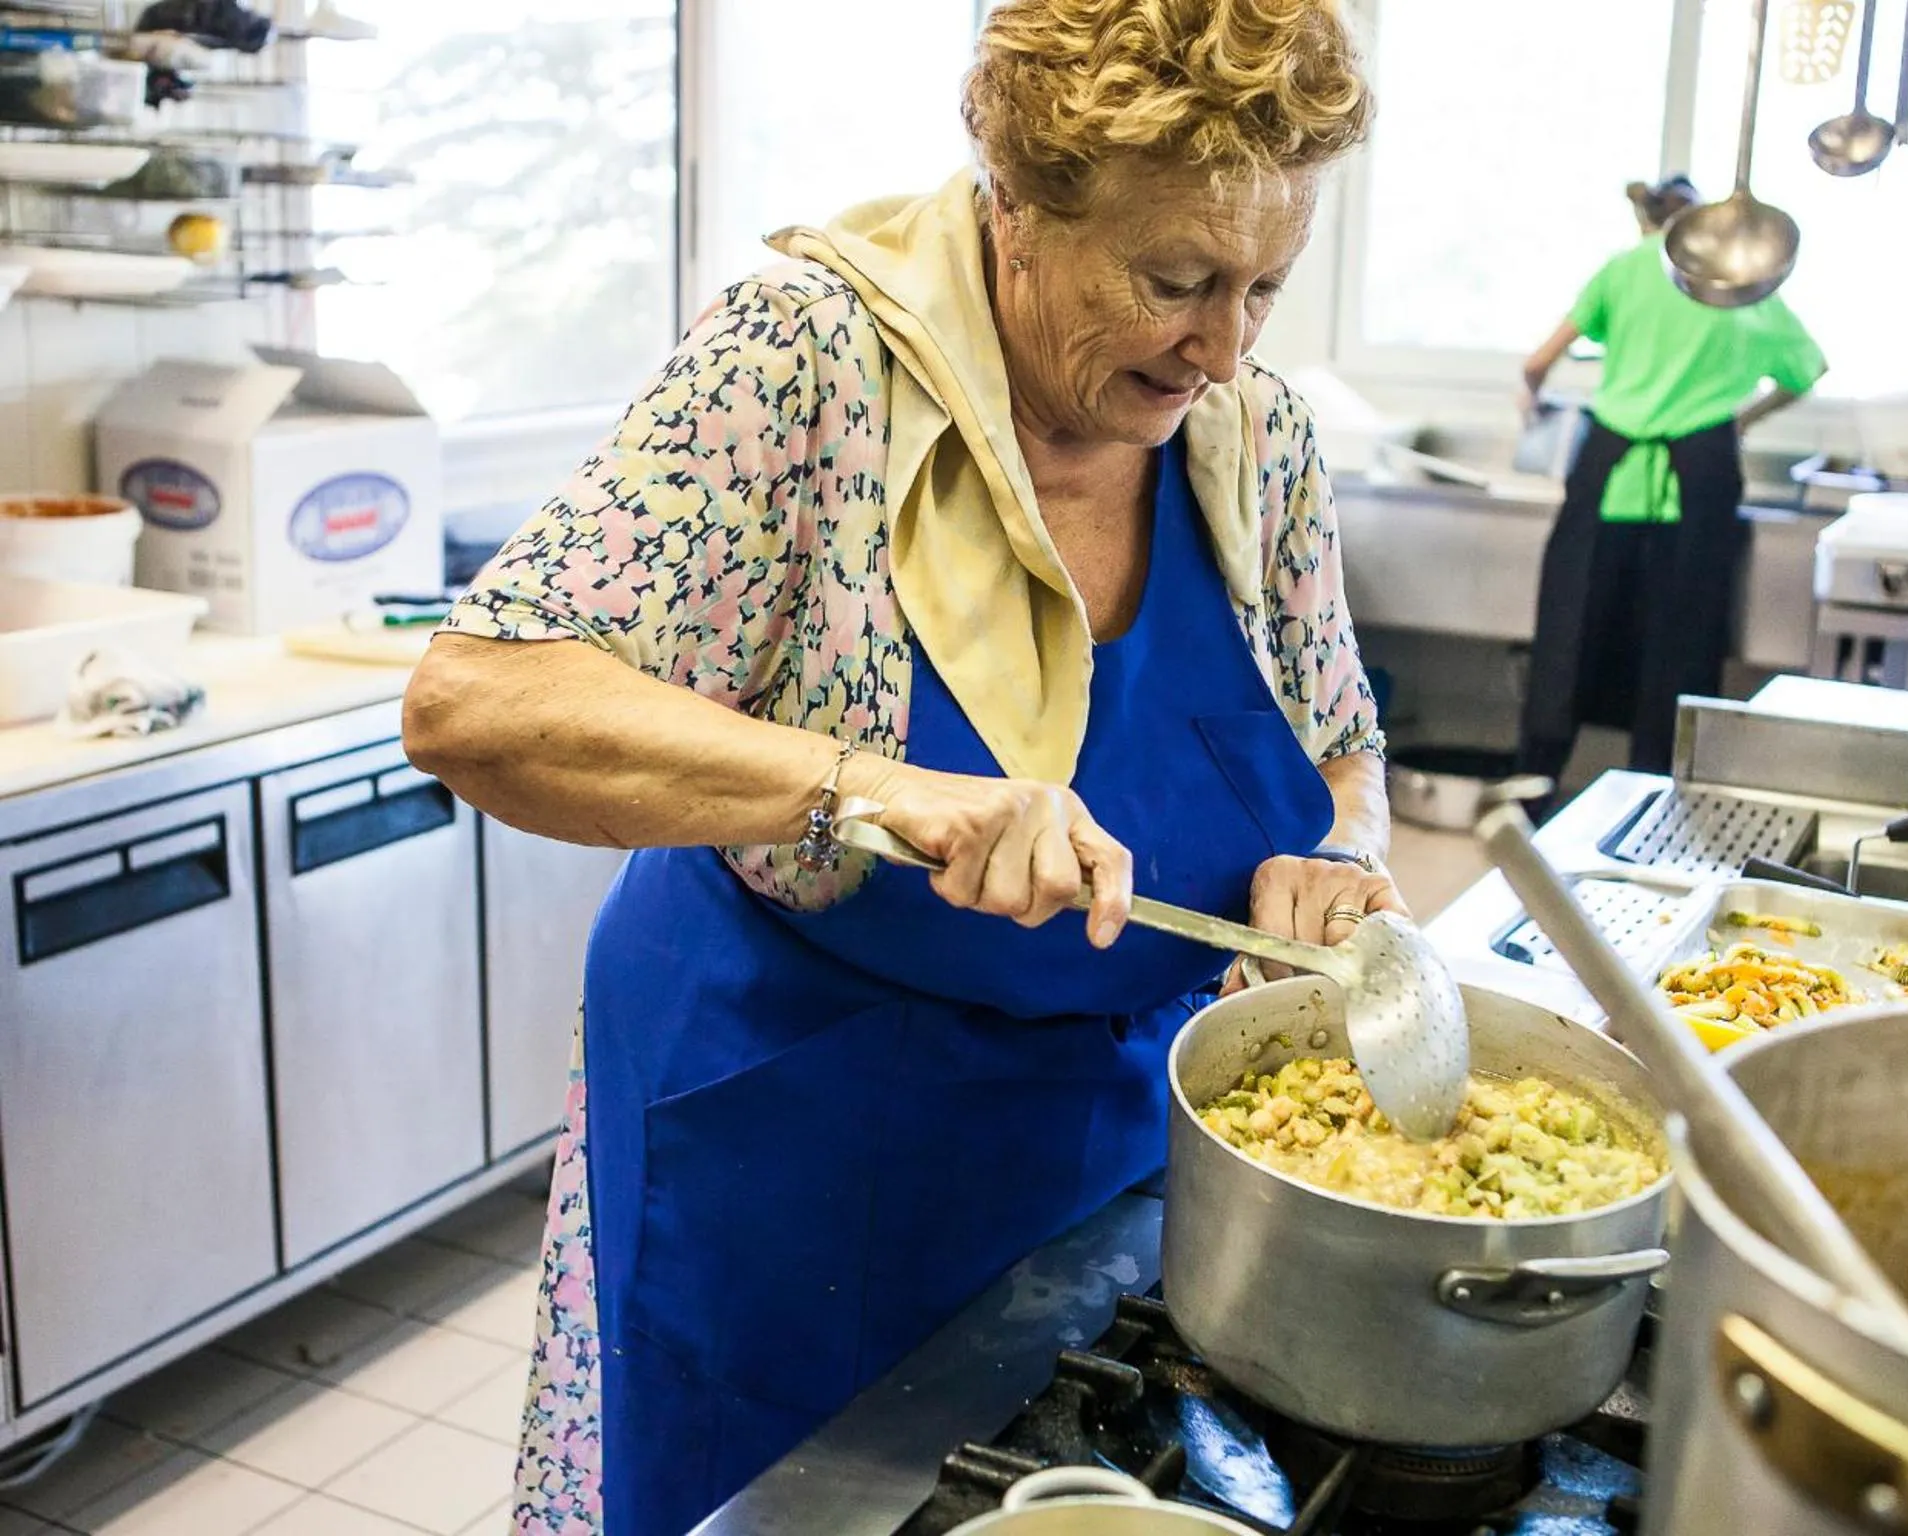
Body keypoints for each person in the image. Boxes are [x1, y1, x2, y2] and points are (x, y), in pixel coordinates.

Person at [401, 2, 1390, 1531]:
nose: (1225, 343)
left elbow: (1336, 732)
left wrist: (1336, 856)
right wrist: (872, 784)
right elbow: (478, 703)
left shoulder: (1255, 436)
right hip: (797, 1125)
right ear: (1013, 211)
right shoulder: (807, 361)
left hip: (1103, 1130)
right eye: (1175, 280)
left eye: (1266, 287)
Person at [1513, 176, 1827, 780]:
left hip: (1610, 477)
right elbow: (1807, 368)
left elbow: (1536, 363)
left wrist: (1532, 404)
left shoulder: (1624, 268)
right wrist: (1741, 420)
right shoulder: (1738, 284)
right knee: (1678, 654)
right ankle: (1656, 802)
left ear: (1649, 222)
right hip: (1697, 481)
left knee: (1567, 644)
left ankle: (1530, 795)